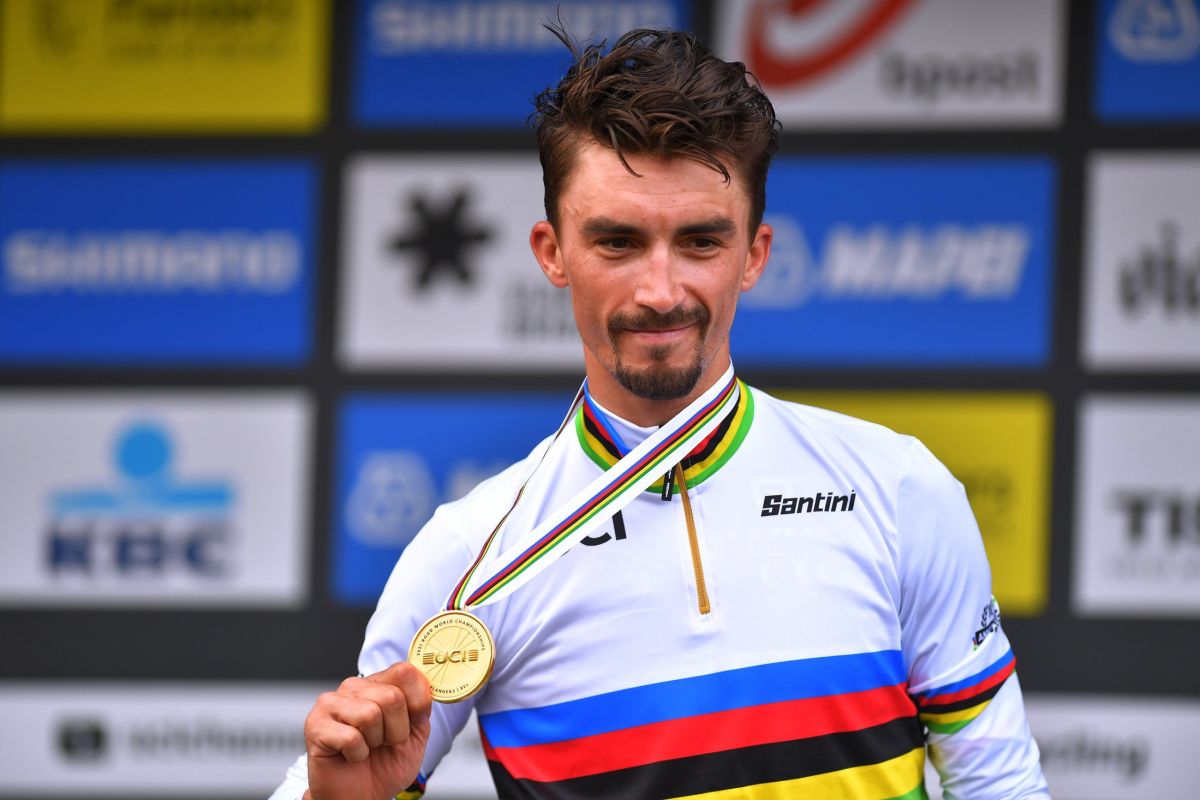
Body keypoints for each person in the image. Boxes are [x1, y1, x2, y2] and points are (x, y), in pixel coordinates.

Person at [271, 26, 1049, 800]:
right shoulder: (468, 554)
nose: (660, 291)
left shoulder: (897, 489)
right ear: (551, 252)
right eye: (617, 242)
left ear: (754, 254)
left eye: (701, 242)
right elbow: (349, 776)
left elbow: (1002, 786)